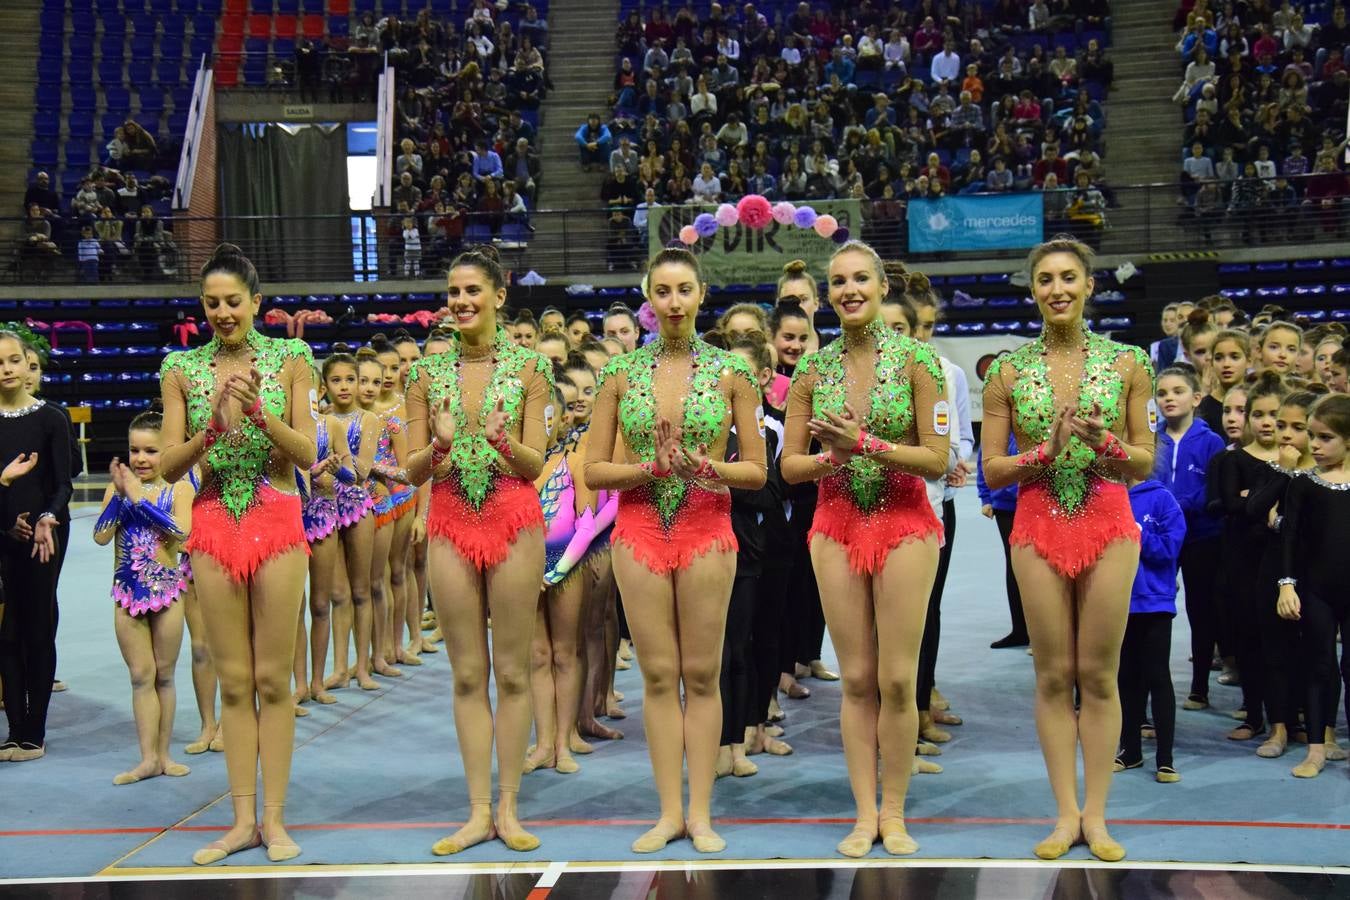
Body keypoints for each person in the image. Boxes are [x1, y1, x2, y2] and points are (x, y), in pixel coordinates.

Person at [584, 246, 766, 854]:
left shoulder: (731, 373)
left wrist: (704, 465)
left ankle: (703, 812)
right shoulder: (619, 375)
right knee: (659, 675)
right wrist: (647, 469)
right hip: (639, 532)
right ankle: (667, 813)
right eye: (662, 292)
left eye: (684, 290)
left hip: (708, 531)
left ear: (701, 294)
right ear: (648, 301)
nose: (674, 302)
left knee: (702, 673)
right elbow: (595, 470)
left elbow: (759, 472)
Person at [981, 236, 1156, 862]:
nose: (1057, 289)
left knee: (1098, 675)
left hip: (1109, 521)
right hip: (1036, 523)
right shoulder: (1007, 369)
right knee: (1053, 674)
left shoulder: (1130, 361)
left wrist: (1105, 443)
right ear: (1033, 291)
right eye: (1046, 279)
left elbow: (1143, 459)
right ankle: (1064, 815)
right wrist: (1045, 454)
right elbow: (994, 471)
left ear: (1089, 286)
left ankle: (1099, 816)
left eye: (1068, 278)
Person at [781, 240, 949, 858]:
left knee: (898, 679)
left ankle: (896, 812)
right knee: (856, 678)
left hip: (905, 523)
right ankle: (862, 813)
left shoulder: (917, 362)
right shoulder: (811, 370)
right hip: (835, 525)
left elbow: (938, 459)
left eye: (861, 279)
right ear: (828, 295)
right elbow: (792, 467)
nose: (850, 290)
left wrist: (867, 446)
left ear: (882, 288)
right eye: (838, 282)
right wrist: (835, 457)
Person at [160, 243, 316, 864]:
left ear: (257, 303)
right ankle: (241, 819)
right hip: (214, 522)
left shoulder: (291, 357)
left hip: (277, 520)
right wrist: (215, 429)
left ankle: (274, 822)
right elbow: (169, 465)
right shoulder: (180, 367)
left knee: (274, 680)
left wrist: (258, 412)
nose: (223, 312)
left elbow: (305, 453)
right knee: (234, 682)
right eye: (212, 303)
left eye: (233, 301)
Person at [403, 245, 553, 855]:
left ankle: (510, 808)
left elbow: (536, 461)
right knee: (468, 673)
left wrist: (501, 443)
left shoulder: (529, 370)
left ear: (498, 295)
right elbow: (412, 471)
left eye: (472, 292)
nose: (461, 302)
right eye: (453, 292)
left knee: (513, 670)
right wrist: (440, 447)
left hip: (514, 520)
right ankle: (475, 812)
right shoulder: (423, 375)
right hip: (450, 522)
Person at [93, 412, 195, 785]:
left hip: (168, 592)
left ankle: (164, 755)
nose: (140, 458)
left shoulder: (180, 488)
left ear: (166, 450)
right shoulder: (118, 489)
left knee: (164, 676)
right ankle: (147, 758)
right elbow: (101, 537)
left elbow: (182, 536)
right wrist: (121, 499)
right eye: (134, 450)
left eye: (150, 450)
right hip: (128, 595)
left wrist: (141, 501)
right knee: (141, 676)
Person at [0, 331, 73, 764]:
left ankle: (35, 732)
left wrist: (47, 517)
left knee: (35, 627)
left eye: (12, 360)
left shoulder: (52, 418)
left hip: (42, 537)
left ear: (27, 366)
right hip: (2, 535)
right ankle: (14, 731)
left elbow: (63, 483)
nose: (6, 369)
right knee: (6, 635)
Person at [1277, 394, 1350, 778]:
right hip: (1316, 588)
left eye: (1325, 438)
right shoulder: (1304, 483)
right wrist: (1286, 586)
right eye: (1313, 436)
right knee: (1320, 665)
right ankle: (1317, 749)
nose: (1315, 446)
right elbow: (1289, 537)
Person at [1154, 366, 1227, 711]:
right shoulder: (1153, 440)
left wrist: (1174, 506)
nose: (1169, 398)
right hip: (1161, 538)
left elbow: (1210, 490)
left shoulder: (1212, 441)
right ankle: (1153, 685)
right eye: (1163, 393)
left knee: (1202, 609)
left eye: (1178, 391)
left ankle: (1199, 687)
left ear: (1196, 398)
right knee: (1156, 609)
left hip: (1201, 537)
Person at [311, 353, 380, 696]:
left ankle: (363, 666)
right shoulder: (318, 421)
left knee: (360, 590)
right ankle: (339, 667)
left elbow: (364, 469)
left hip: (355, 504)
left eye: (349, 379)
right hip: (323, 507)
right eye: (336, 380)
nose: (344, 386)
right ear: (324, 386)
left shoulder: (368, 419)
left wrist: (339, 464)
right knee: (336, 594)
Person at [1117, 473, 1186, 783]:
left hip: (1154, 602)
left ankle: (1165, 759)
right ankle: (1130, 750)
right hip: (1116, 603)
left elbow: (1170, 548)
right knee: (1124, 678)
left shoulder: (1162, 499)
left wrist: (1135, 533)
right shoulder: (1105, 496)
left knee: (1158, 677)